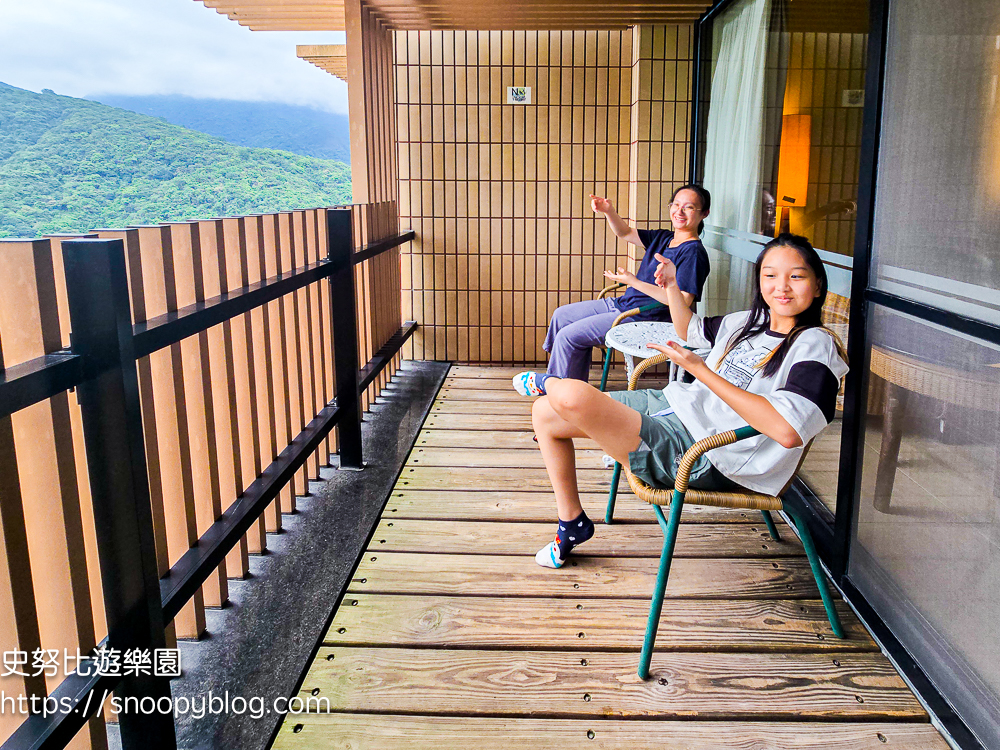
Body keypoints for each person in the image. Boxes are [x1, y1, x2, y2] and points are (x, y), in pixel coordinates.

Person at [512, 233, 848, 568]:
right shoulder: (747, 323)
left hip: (706, 455)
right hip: (674, 408)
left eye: (797, 276)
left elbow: (787, 430)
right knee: (545, 412)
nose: (782, 286)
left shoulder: (815, 346)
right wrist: (672, 286)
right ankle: (572, 523)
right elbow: (690, 330)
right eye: (770, 275)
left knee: (570, 396)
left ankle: (550, 381)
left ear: (818, 286)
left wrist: (702, 372)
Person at [541, 185, 712, 382]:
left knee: (568, 336)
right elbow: (625, 233)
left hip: (644, 316)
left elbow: (682, 301)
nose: (679, 211)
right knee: (561, 316)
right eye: (676, 204)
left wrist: (634, 282)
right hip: (623, 304)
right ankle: (561, 379)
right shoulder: (663, 237)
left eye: (689, 207)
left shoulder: (693, 253)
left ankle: (562, 390)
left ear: (704, 213)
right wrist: (608, 211)